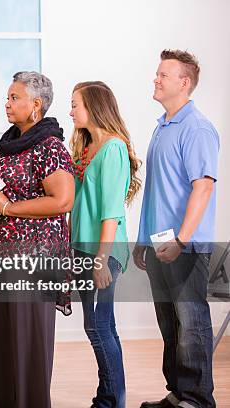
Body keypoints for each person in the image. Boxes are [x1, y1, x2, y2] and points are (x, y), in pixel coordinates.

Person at [0, 71, 75, 408]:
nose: (7, 103)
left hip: (34, 259)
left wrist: (8, 207)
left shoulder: (50, 146)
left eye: (14, 97)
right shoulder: (9, 141)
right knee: (3, 342)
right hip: (6, 257)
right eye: (8, 96)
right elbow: (2, 191)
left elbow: (63, 200)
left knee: (25, 342)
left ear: (36, 105)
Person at [133, 50, 219, 408]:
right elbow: (158, 190)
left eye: (163, 75)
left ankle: (198, 399)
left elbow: (204, 187)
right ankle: (179, 393)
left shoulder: (196, 128)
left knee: (191, 322)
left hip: (184, 245)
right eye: (157, 74)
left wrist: (182, 239)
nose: (156, 79)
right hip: (158, 244)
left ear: (184, 83)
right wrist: (142, 242)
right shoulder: (163, 126)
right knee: (170, 325)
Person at [69, 81, 142, 408]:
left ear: (95, 107)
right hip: (84, 250)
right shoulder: (86, 148)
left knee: (98, 325)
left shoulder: (113, 148)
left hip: (104, 252)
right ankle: (108, 398)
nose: (71, 111)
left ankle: (112, 401)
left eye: (76, 105)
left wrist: (101, 260)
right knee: (101, 325)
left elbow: (111, 210)